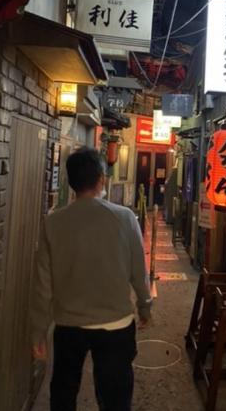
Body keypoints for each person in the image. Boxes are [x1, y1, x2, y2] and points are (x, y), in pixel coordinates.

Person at [31, 147, 152, 411]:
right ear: (101, 179)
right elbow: (138, 271)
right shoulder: (124, 217)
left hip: (68, 324)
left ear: (71, 182)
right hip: (116, 324)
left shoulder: (53, 223)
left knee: (63, 394)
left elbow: (43, 285)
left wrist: (38, 331)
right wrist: (145, 306)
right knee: (115, 398)